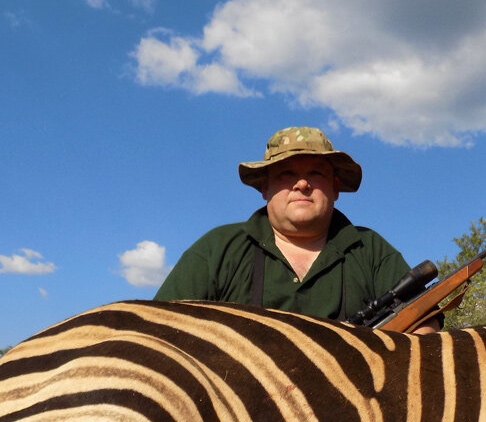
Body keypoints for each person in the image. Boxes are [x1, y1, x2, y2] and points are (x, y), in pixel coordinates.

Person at [155, 126, 440, 332]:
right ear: (264, 188)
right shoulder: (217, 248)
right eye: (286, 173)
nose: (302, 184)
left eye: (316, 173)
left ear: (335, 188)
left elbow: (423, 328)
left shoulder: (371, 250)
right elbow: (158, 329)